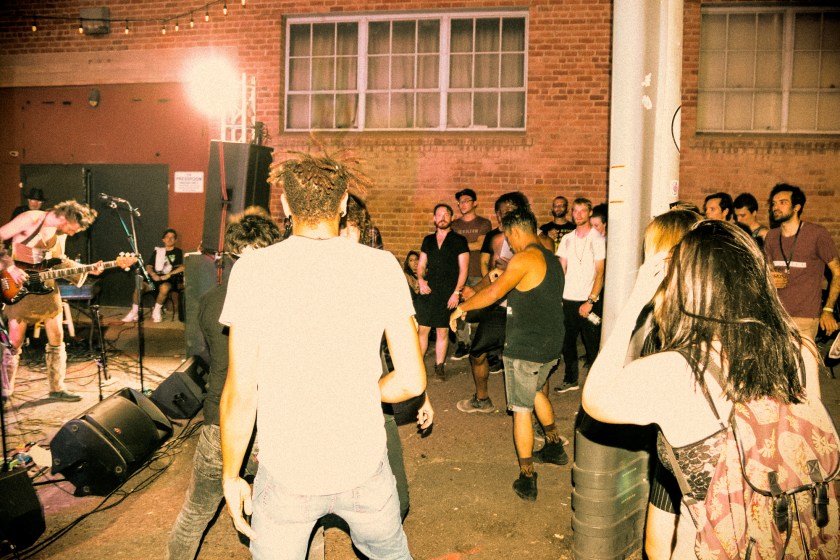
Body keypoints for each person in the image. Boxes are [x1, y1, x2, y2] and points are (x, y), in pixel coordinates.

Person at [219, 151, 426, 560]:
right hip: (363, 466)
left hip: (288, 472)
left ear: (285, 205)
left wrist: (231, 475)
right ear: (344, 202)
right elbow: (411, 381)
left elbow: (241, 393)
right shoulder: (381, 266)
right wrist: (358, 391)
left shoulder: (253, 270)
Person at [582, 219, 823, 558]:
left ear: (689, 285)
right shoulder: (800, 351)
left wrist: (634, 302)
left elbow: (595, 398)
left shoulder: (676, 369)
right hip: (787, 537)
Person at [167, 210, 283, 560]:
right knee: (291, 518)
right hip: (269, 422)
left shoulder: (209, 301)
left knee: (195, 513)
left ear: (232, 255)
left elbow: (207, 355)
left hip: (222, 418)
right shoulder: (283, 300)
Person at [450, 206, 568, 501]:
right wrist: (501, 274)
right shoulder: (549, 259)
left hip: (526, 347)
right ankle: (554, 446)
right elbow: (530, 285)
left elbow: (493, 294)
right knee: (536, 392)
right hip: (551, 343)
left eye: (508, 238)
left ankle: (527, 477)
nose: (509, 245)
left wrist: (462, 308)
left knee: (521, 409)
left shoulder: (524, 258)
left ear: (515, 231)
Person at [339, 193, 434, 520]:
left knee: (395, 501)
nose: (347, 236)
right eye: (342, 228)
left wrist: (420, 393)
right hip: (326, 406)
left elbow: (399, 349)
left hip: (375, 397)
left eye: (352, 229)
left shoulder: (375, 273)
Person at [629, 209, 702, 560]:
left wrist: (635, 301)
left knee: (665, 547)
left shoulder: (671, 328)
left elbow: (614, 399)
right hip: (696, 458)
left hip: (684, 456)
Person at [1, 200, 101, 403]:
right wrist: (10, 266)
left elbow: (59, 260)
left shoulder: (60, 232)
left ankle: (57, 388)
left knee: (57, 336)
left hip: (47, 288)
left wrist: (88, 269)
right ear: (66, 218)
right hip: (19, 286)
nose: (74, 233)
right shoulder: (31, 219)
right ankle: (5, 390)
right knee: (15, 340)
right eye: (74, 228)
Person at [457, 191, 530, 413]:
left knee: (529, 363)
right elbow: (492, 274)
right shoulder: (498, 239)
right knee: (477, 353)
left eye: (508, 211)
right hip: (499, 307)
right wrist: (474, 290)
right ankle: (482, 399)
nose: (503, 215)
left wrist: (512, 270)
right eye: (500, 212)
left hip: (524, 309)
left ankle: (535, 416)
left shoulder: (537, 239)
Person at [764, 183, 839, 341]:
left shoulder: (816, 234)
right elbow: (767, 270)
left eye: (782, 202)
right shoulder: (771, 236)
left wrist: (828, 310)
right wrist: (769, 278)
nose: (776, 207)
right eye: (774, 203)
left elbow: (837, 273)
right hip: (775, 316)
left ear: (796, 207)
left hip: (805, 318)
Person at [555, 197, 606, 394]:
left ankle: (595, 386)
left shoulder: (597, 239)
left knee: (592, 344)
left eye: (582, 211)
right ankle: (571, 379)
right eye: (575, 211)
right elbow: (562, 269)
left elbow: (600, 273)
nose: (578, 215)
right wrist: (558, 297)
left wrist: (590, 301)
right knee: (567, 342)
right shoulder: (567, 239)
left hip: (588, 300)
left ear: (590, 213)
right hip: (568, 299)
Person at [415, 203, 469, 380]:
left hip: (448, 292)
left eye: (446, 214)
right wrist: (421, 280)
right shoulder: (428, 240)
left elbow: (464, 270)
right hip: (428, 290)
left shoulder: (459, 240)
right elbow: (421, 265)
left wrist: (456, 293)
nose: (442, 218)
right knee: (422, 330)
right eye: (439, 215)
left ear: (451, 218)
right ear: (434, 218)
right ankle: (417, 367)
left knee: (442, 331)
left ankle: (439, 366)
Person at [450, 188, 493, 360]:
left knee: (481, 307)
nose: (462, 205)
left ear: (475, 203)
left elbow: (480, 245)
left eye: (466, 201)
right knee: (459, 307)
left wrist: (459, 246)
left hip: (477, 271)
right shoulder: (455, 225)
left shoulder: (483, 223)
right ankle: (463, 343)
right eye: (460, 202)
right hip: (460, 273)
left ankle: (485, 345)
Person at [122, 228, 185, 323]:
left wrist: (169, 275)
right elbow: (148, 266)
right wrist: (153, 274)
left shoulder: (178, 252)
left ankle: (156, 311)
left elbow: (182, 267)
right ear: (163, 239)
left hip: (168, 279)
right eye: (167, 237)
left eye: (172, 237)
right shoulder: (158, 251)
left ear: (175, 240)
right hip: (153, 282)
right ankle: (134, 312)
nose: (169, 239)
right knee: (139, 287)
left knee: (164, 288)